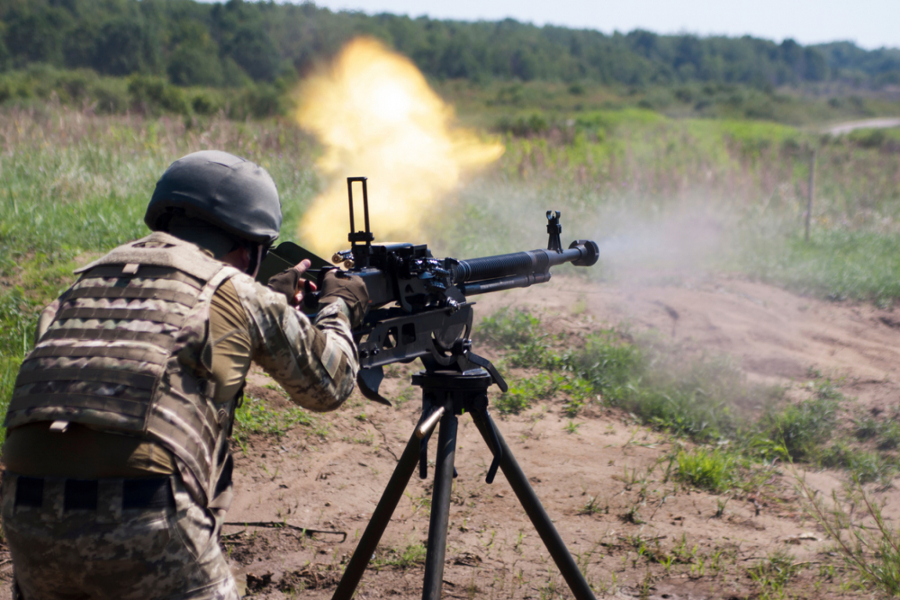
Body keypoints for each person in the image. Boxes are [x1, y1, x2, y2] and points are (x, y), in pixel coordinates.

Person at [1, 150, 368, 599]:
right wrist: (339, 306)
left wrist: (266, 301)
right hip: (145, 514)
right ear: (250, 249)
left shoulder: (83, 285)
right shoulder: (238, 292)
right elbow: (331, 384)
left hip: (25, 513)